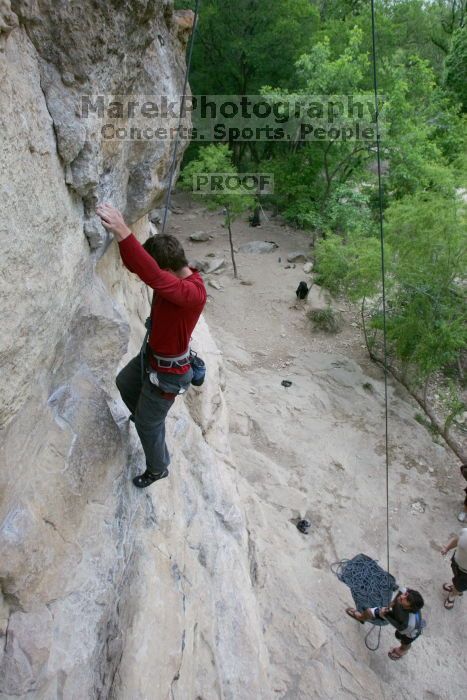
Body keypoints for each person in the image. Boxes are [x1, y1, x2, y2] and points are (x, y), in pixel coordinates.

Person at [96, 203, 207, 488]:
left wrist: (123, 231)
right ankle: (147, 420)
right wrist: (125, 241)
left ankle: (158, 467)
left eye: (161, 274)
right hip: (153, 356)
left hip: (169, 374)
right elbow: (143, 269)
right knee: (124, 383)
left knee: (148, 424)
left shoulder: (192, 293)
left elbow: (153, 276)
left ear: (169, 270)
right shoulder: (176, 277)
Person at [346, 587, 425, 661]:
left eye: (407, 600)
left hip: (409, 631)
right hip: (394, 614)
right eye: (405, 595)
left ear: (410, 608)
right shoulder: (404, 591)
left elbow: (399, 628)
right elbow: (395, 600)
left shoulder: (410, 625)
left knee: (402, 639)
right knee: (370, 612)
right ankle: (361, 618)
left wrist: (384, 615)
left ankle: (403, 650)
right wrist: (389, 607)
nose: (402, 597)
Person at [441, 527, 467, 608]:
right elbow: (457, 540)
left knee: (460, 586)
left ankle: (452, 595)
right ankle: (456, 586)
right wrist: (447, 548)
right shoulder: (465, 531)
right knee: (457, 579)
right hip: (456, 562)